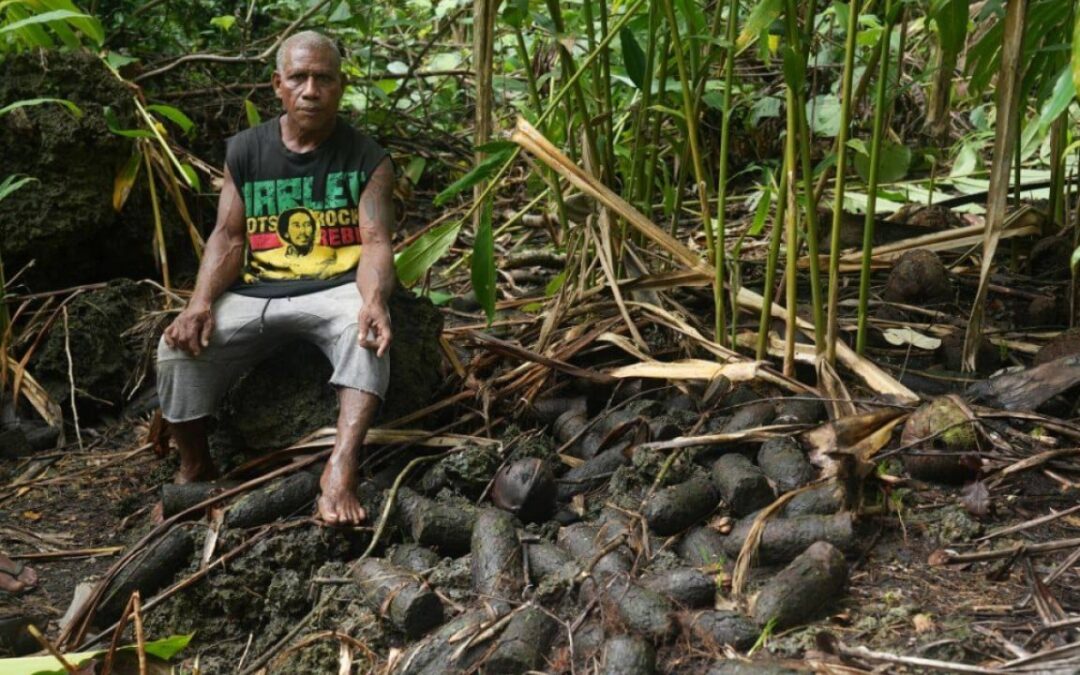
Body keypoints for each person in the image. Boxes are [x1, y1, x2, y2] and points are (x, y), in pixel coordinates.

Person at [157, 30, 395, 526]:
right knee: (175, 348)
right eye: (299, 78)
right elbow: (228, 236)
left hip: (334, 290)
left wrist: (374, 301)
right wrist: (198, 303)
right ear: (278, 85)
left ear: (341, 85)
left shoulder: (368, 157)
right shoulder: (246, 150)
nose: (311, 90)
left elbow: (374, 241)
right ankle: (195, 465)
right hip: (256, 293)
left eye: (323, 79)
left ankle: (340, 468)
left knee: (366, 337)